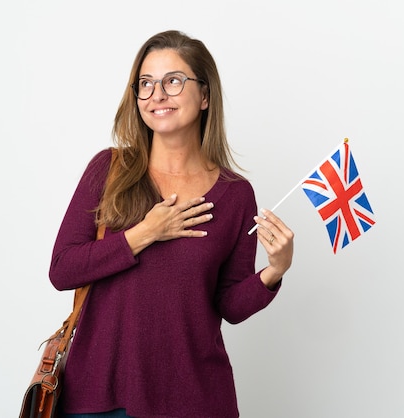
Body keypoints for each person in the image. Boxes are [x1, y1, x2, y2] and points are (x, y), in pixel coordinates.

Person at [49, 30, 294, 418]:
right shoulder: (108, 169)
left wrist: (275, 270)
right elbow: (63, 269)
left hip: (192, 399)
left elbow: (228, 305)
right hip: (100, 398)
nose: (157, 95)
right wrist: (144, 233)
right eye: (145, 84)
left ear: (205, 95)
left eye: (173, 81)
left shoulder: (236, 194)